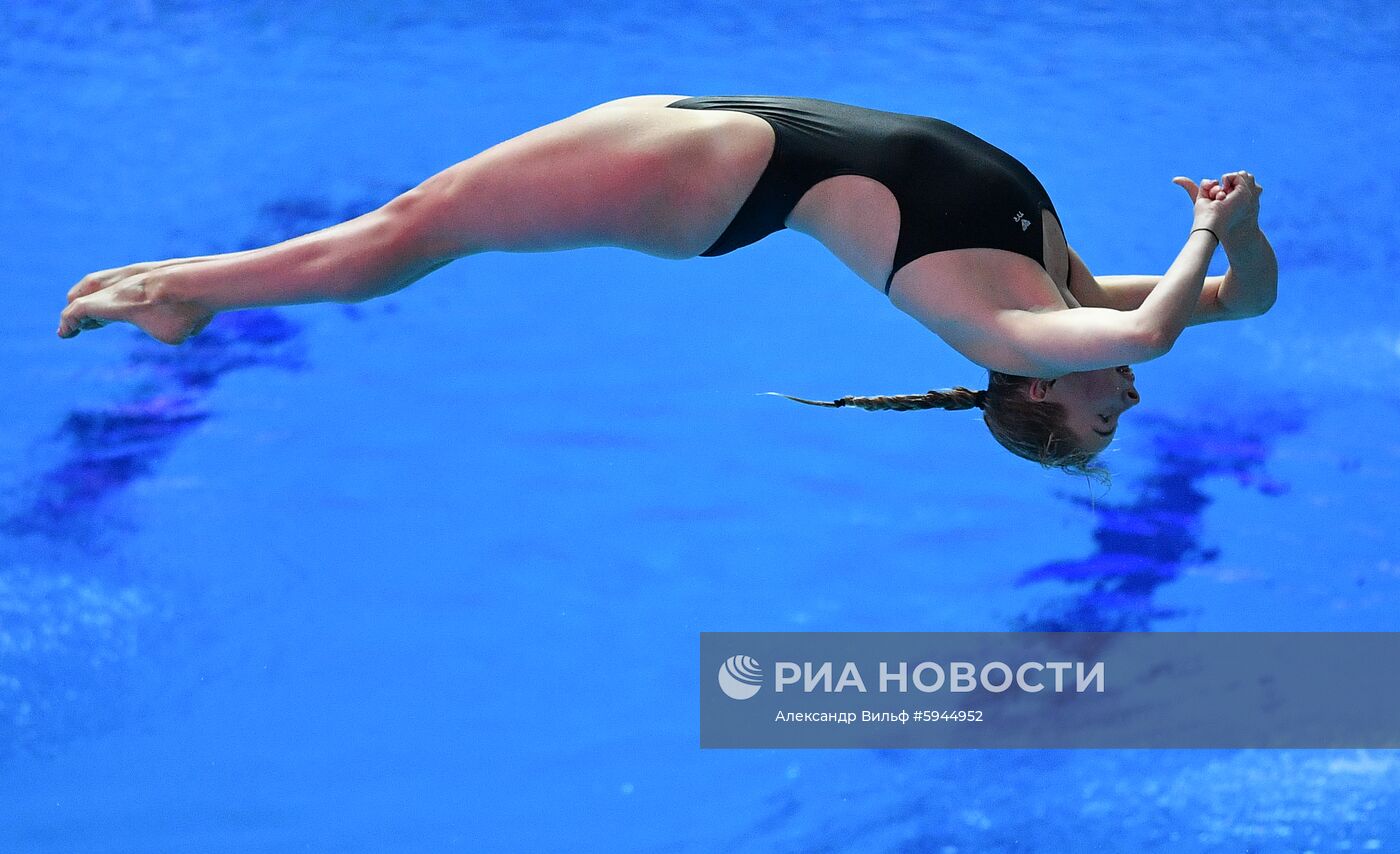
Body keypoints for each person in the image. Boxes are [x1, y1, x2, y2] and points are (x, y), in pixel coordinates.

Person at [56, 95, 1276, 474]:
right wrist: (1241, 234)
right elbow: (1239, 304)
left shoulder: (999, 322)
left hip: (711, 185)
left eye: (1098, 414)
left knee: (417, 228)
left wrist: (1198, 232)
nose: (1122, 394)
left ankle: (186, 293)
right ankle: (191, 292)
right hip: (736, 134)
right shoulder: (1052, 288)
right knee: (420, 222)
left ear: (1036, 390)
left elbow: (1161, 327)